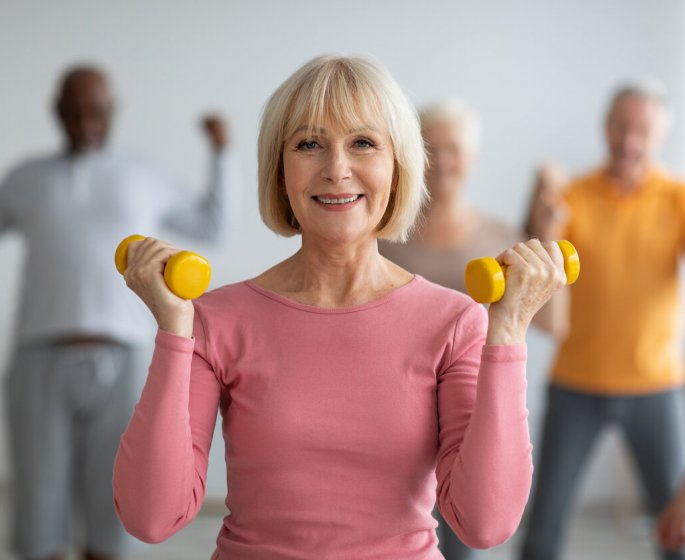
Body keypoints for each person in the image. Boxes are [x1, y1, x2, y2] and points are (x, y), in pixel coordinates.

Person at [112, 54, 566, 560]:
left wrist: (507, 336)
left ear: (398, 167)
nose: (336, 169)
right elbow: (150, 517)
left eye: (363, 143)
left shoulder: (454, 323)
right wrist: (175, 332)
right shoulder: (217, 320)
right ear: (280, 170)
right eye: (309, 144)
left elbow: (485, 525)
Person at [0, 65, 235, 560]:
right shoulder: (25, 178)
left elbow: (210, 225)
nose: (86, 124)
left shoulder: (144, 173)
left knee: (117, 508)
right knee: (38, 510)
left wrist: (220, 155)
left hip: (126, 356)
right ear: (57, 113)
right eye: (75, 113)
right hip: (39, 355)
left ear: (112, 113)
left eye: (97, 113)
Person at [379, 99, 567, 559]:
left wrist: (552, 237)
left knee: (465, 544)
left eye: (454, 149)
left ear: (473, 158)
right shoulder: (381, 237)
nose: (442, 161)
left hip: (472, 417)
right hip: (394, 422)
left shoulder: (502, 237)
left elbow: (555, 322)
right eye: (430, 148)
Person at [519, 81, 685, 560]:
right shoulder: (571, 196)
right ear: (604, 127)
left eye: (642, 131)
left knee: (675, 532)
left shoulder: (676, 197)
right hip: (576, 383)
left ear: (659, 138)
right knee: (543, 531)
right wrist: (542, 218)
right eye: (620, 127)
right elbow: (542, 283)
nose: (629, 141)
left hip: (656, 386)